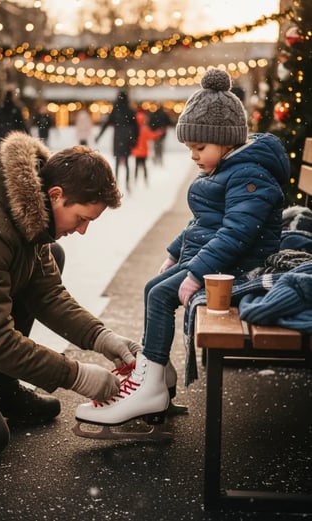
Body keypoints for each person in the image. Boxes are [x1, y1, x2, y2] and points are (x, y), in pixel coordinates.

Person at [75, 68, 291, 430]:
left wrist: (193, 272)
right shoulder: (223, 169)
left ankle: (151, 386)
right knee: (152, 288)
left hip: (240, 266)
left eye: (199, 148)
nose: (193, 156)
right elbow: (202, 223)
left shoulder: (249, 175)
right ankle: (158, 375)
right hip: (215, 259)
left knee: (162, 295)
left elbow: (237, 234)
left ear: (227, 141)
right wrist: (176, 253)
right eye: (190, 148)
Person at [0, 131, 142, 465]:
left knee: (52, 257)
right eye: (82, 219)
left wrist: (101, 337)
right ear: (56, 195)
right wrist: (75, 375)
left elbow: (48, 294)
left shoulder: (29, 216)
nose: (82, 231)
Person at [95, 91, 138, 191]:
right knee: (126, 162)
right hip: (127, 138)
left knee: (118, 162)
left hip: (118, 138)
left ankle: (116, 183)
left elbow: (106, 123)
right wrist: (135, 139)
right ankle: (127, 184)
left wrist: (99, 136)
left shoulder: (116, 110)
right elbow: (136, 127)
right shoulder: (130, 110)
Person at [131, 109, 163, 182]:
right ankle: (145, 179)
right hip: (144, 151)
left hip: (136, 151)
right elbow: (152, 136)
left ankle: (135, 179)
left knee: (136, 166)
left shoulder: (134, 129)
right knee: (144, 166)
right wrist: (158, 133)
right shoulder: (145, 129)